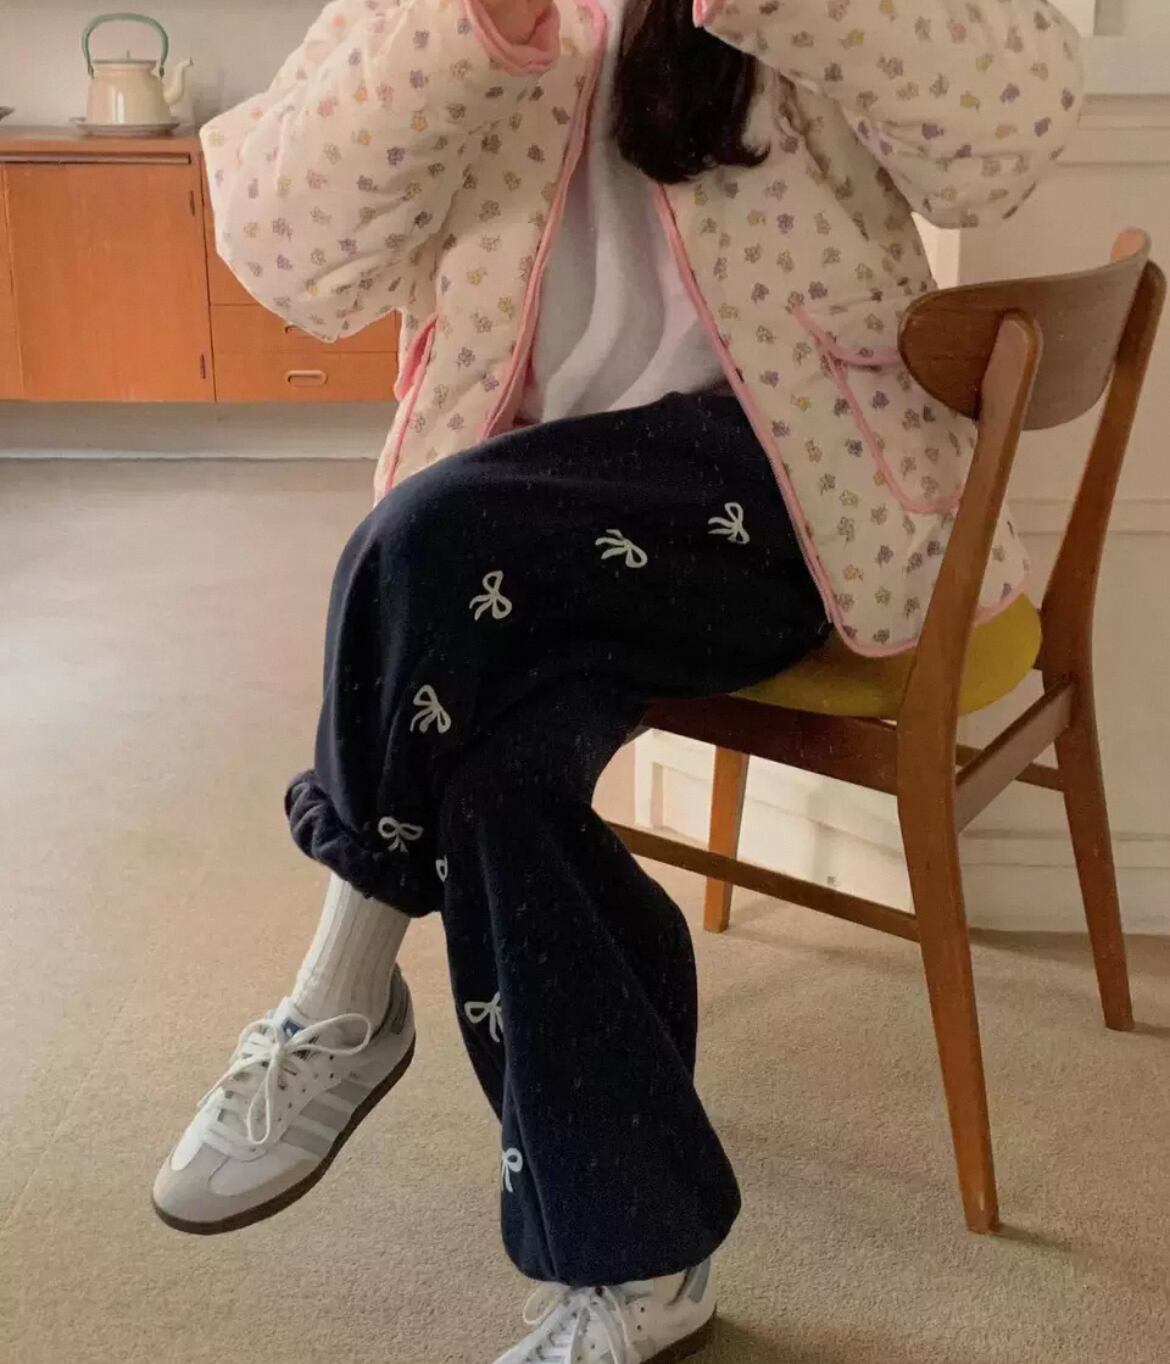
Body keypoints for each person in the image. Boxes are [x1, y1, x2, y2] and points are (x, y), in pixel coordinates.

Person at [153, 0, 1082, 1358]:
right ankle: (642, 1269)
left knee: (415, 540)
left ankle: (341, 993)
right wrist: (473, 26)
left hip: (779, 494)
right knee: (492, 779)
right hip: (520, 518)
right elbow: (293, 254)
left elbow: (1006, 134)